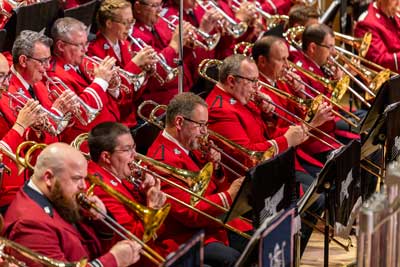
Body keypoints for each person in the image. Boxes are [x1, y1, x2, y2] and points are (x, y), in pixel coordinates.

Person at [147, 92, 250, 267]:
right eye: (200, 125)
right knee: (236, 259)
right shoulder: (162, 160)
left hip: (211, 222)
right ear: (179, 122)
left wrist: (216, 169)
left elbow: (212, 189)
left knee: (260, 237)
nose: (205, 132)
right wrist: (229, 195)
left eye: (206, 125)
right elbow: (189, 214)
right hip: (187, 236)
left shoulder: (190, 143)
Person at [2, 142, 142, 267]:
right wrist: (113, 260)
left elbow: (91, 248)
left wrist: (101, 220)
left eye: (84, 178)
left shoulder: (58, 196)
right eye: (77, 178)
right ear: (49, 178)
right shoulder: (29, 225)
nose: (84, 186)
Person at [87, 122, 175, 265]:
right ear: (106, 157)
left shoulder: (121, 173)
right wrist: (152, 207)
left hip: (159, 250)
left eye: (134, 147)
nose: (135, 155)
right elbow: (130, 240)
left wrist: (146, 191)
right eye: (127, 149)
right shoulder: (100, 188)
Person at [205, 54, 308, 161]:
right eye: (252, 80)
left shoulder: (240, 95)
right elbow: (246, 155)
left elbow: (265, 134)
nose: (256, 86)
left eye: (257, 80)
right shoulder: (219, 110)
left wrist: (267, 114)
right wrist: (286, 140)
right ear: (231, 81)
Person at [49, 17, 127, 143]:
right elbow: (80, 114)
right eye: (79, 45)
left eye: (86, 43)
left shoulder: (82, 61)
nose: (85, 50)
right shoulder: (54, 75)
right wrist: (101, 81)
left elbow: (114, 99)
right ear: (61, 46)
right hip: (89, 142)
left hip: (110, 131)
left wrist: (112, 86)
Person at [88, 0, 157, 127]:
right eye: (125, 22)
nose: (130, 27)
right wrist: (135, 64)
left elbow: (132, 91)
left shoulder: (124, 44)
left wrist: (145, 74)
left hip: (130, 115)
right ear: (109, 23)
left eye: (132, 21)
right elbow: (114, 93)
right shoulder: (94, 51)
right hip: (115, 121)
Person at [0, 30, 76, 144]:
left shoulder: (37, 83)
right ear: (23, 61)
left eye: (49, 60)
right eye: (43, 61)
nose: (48, 66)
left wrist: (67, 115)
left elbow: (57, 133)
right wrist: (56, 113)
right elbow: (25, 144)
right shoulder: (7, 95)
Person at [354, 0, 400, 73]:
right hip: (389, 80)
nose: (398, 3)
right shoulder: (366, 23)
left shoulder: (392, 11)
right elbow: (378, 63)